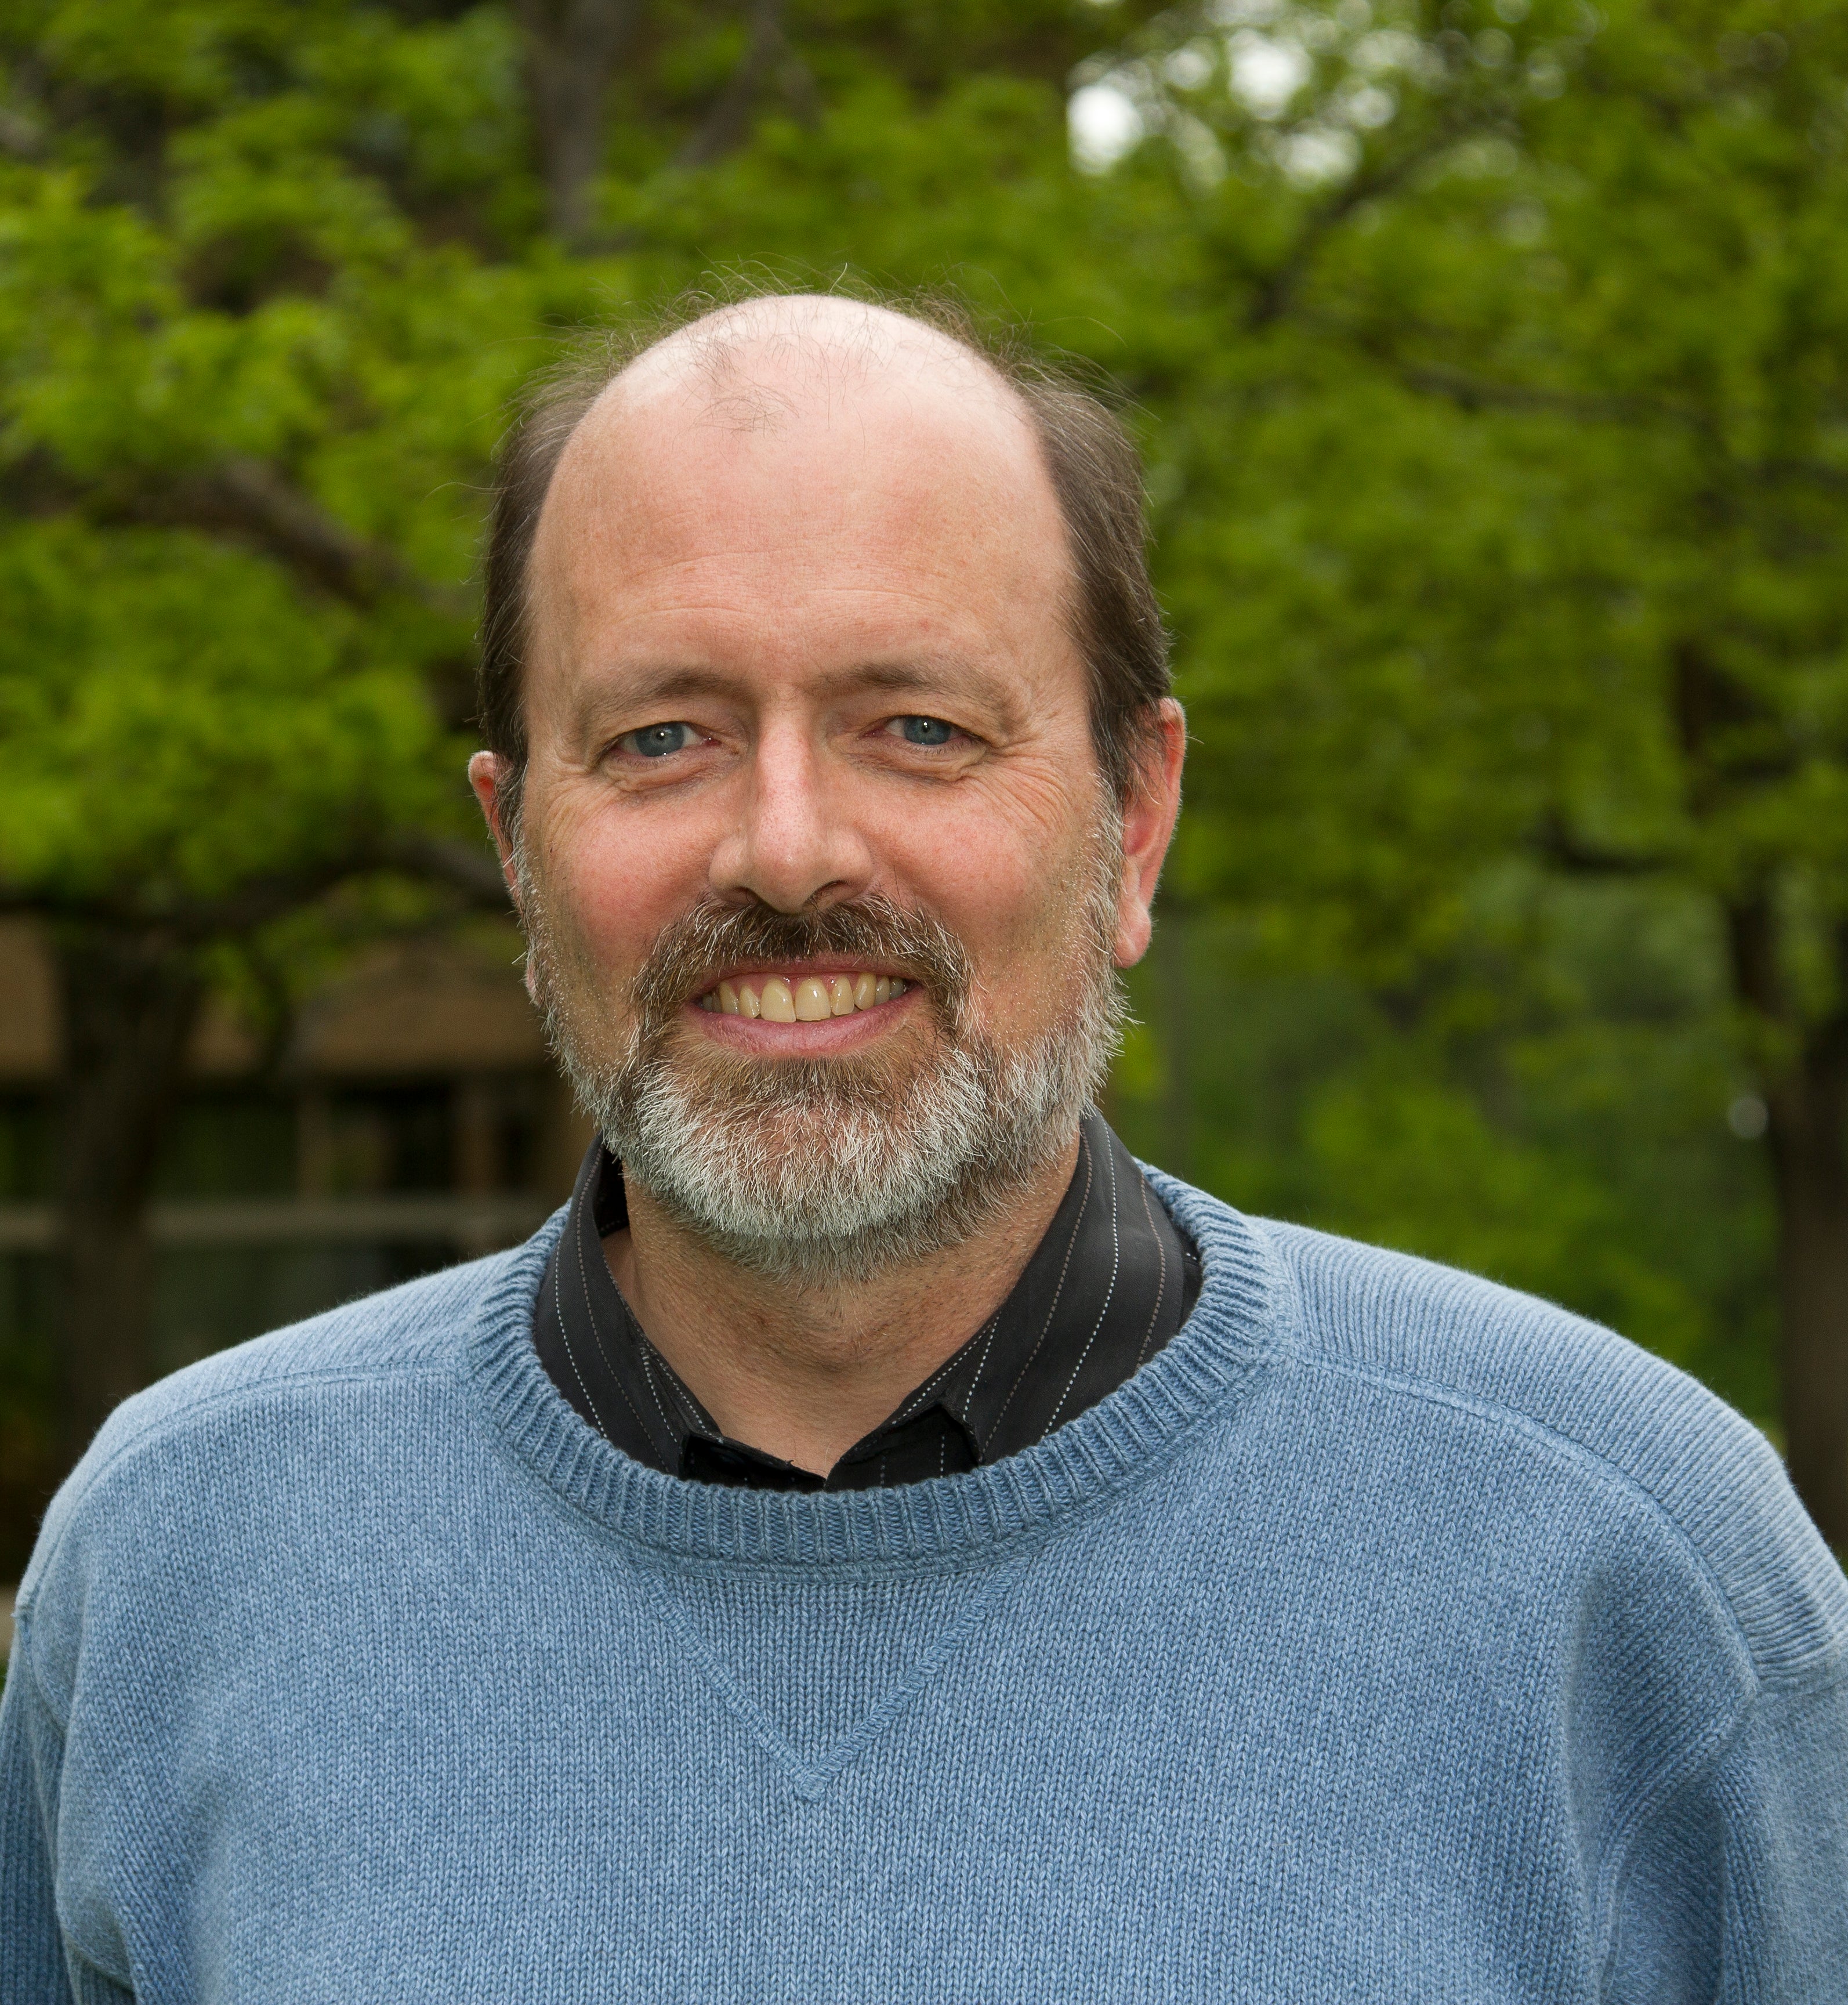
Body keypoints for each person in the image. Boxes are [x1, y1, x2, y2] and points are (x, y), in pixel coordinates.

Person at [3, 291, 1845, 2003]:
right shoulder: (178, 1561)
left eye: (918, 727)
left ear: (1133, 820)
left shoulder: (1623, 1571)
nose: (786, 850)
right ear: (514, 847)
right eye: (660, 737)